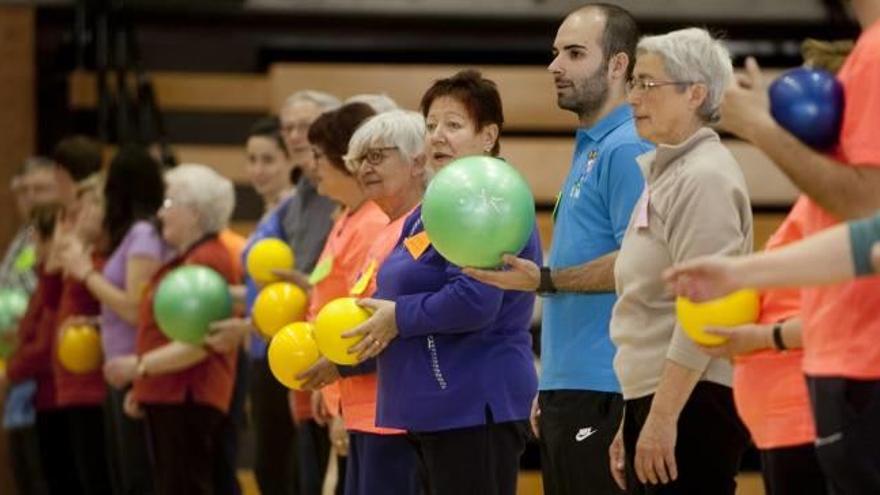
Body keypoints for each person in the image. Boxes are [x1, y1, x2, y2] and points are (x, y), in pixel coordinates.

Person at [464, 5, 649, 494]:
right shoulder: (592, 146)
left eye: (573, 53)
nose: (555, 66)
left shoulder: (627, 147)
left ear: (618, 65)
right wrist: (553, 383)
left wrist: (542, 280)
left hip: (608, 387)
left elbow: (640, 262)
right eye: (555, 53)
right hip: (573, 385)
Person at [343, 69, 541, 495]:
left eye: (453, 125)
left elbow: (475, 300)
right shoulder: (432, 205)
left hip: (472, 402)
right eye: (431, 125)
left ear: (488, 136)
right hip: (428, 406)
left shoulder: (493, 199)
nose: (437, 136)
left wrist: (397, 316)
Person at [710, 1, 880, 491]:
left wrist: (758, 126)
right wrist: (739, 275)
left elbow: (865, 215)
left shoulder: (873, 53)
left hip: (857, 367)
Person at [607, 28, 752, 494]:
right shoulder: (668, 172)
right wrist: (632, 418)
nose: (633, 97)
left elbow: (707, 309)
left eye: (648, 84)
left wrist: (662, 415)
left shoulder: (704, 176)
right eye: (633, 84)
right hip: (657, 394)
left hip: (693, 400)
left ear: (696, 93)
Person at [303, 108, 428, 495]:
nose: (364, 169)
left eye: (377, 156)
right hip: (365, 410)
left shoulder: (423, 226)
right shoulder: (387, 229)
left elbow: (400, 321)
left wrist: (338, 370)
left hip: (394, 414)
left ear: (417, 160)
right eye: (359, 159)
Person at [104, 164, 238, 495]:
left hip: (188, 395)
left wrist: (140, 367)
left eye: (168, 204)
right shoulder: (190, 258)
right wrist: (144, 383)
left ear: (193, 213)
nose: (160, 215)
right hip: (171, 395)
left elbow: (202, 341)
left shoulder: (207, 260)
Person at [57, 145, 167, 495]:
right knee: (123, 476)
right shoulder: (130, 237)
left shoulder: (143, 235)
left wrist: (86, 273)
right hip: (118, 365)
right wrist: (100, 323)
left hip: (135, 366)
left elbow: (138, 309)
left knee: (137, 477)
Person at [205, 116, 299, 495]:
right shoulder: (268, 213)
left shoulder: (292, 212)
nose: (258, 170)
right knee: (268, 465)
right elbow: (258, 289)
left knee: (279, 467)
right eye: (252, 159)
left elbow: (292, 291)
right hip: (260, 350)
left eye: (268, 160)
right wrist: (220, 296)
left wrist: (244, 326)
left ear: (289, 161)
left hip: (284, 348)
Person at [278, 90, 341, 495]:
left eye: (308, 126)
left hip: (335, 352)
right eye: (289, 127)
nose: (298, 136)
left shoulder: (345, 201)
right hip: (301, 345)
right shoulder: (295, 199)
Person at [50, 177, 112, 495]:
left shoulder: (103, 262)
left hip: (95, 380)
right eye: (80, 206)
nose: (82, 214)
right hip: (71, 378)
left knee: (98, 476)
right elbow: (50, 294)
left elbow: (121, 309)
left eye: (91, 205)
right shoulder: (83, 256)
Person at [1, 157, 56, 495]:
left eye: (41, 189)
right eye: (23, 190)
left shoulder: (57, 237)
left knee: (41, 475)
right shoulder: (24, 237)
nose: (30, 197)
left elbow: (48, 309)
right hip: (19, 368)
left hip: (39, 375)